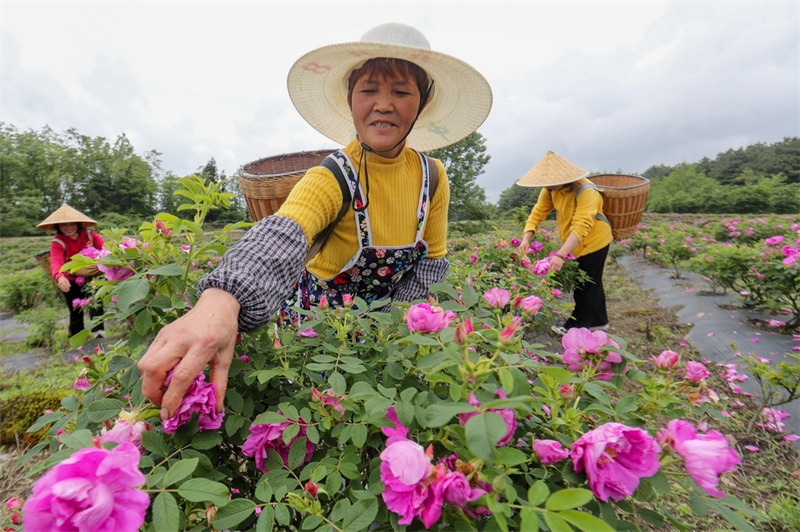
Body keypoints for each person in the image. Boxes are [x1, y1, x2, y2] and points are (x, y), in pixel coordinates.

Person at [138, 22, 492, 420]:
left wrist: (395, 334)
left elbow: (431, 266)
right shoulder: (332, 175)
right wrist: (221, 301)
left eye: (401, 91)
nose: (383, 104)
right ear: (350, 99)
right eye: (368, 90)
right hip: (318, 331)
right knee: (319, 418)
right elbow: (284, 232)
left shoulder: (433, 176)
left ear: (422, 102)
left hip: (385, 328)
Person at [517, 151, 613, 335]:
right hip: (575, 242)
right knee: (592, 281)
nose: (548, 186)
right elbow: (537, 213)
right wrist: (526, 238)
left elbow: (581, 226)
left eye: (551, 182)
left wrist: (560, 255)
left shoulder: (587, 191)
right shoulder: (550, 190)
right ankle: (599, 322)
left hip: (595, 241)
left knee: (585, 284)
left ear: (565, 178)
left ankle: (576, 327)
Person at [37, 204, 105, 338]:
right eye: (64, 225)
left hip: (92, 276)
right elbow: (56, 261)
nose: (68, 228)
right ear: (58, 227)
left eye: (72, 224)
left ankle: (98, 333)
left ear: (78, 224)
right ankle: (76, 337)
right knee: (75, 309)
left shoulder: (91, 235)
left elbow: (106, 250)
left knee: (95, 303)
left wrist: (102, 264)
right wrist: (60, 277)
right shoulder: (58, 242)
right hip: (71, 279)